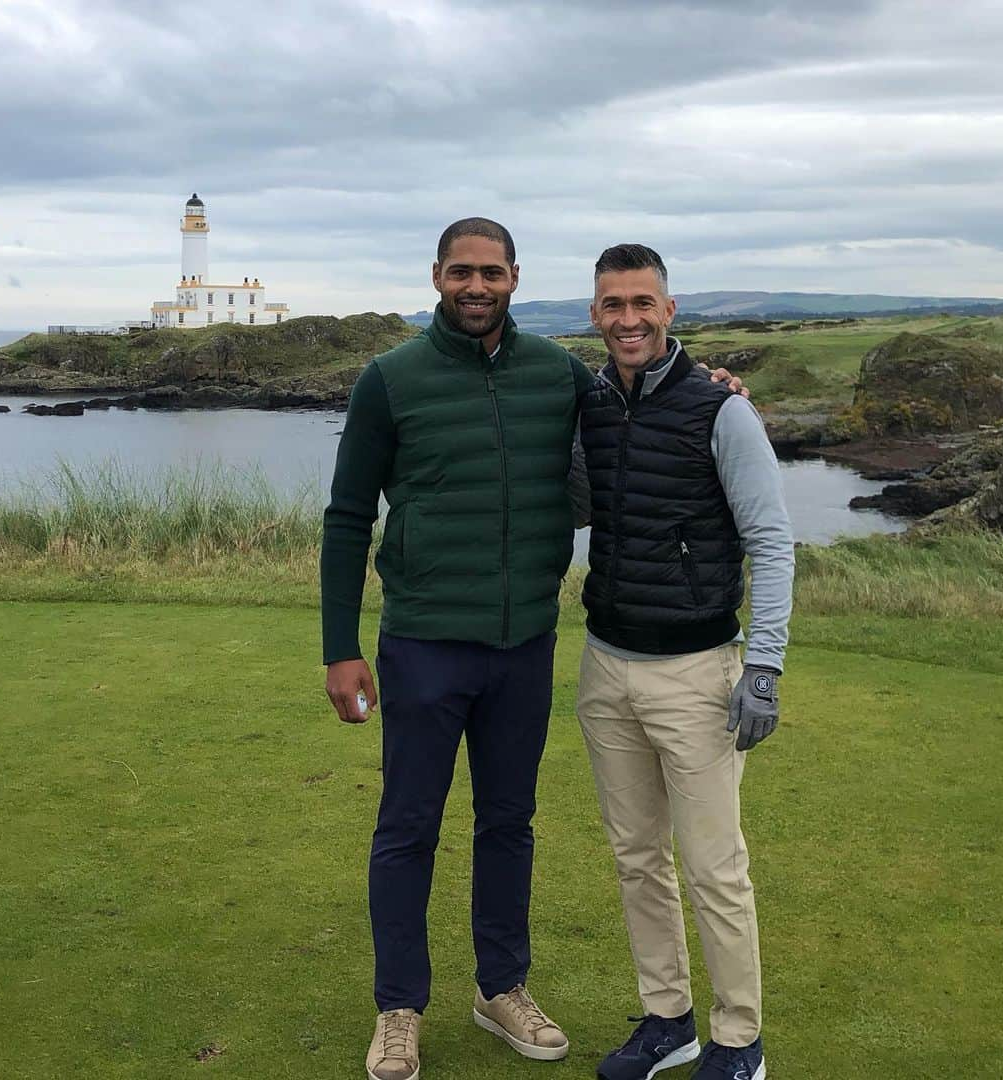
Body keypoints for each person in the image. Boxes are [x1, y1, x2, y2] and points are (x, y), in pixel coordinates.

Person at [321, 219, 744, 1080]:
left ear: (515, 278)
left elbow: (644, 399)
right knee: (408, 826)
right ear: (438, 276)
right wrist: (340, 646)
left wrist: (711, 384)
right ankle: (398, 1007)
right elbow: (347, 516)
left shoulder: (559, 377)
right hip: (423, 643)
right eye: (461, 273)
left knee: (509, 824)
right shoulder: (389, 379)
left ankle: (501, 987)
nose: (477, 287)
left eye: (492, 273)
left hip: (524, 645)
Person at [574, 244, 793, 1080]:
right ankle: (669, 1020)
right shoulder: (590, 403)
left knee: (713, 866)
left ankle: (742, 1041)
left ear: (670, 310)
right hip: (606, 664)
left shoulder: (722, 409)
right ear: (594, 315)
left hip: (699, 671)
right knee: (637, 858)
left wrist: (763, 667)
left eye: (642, 302)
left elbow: (771, 539)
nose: (627, 318)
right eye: (611, 304)